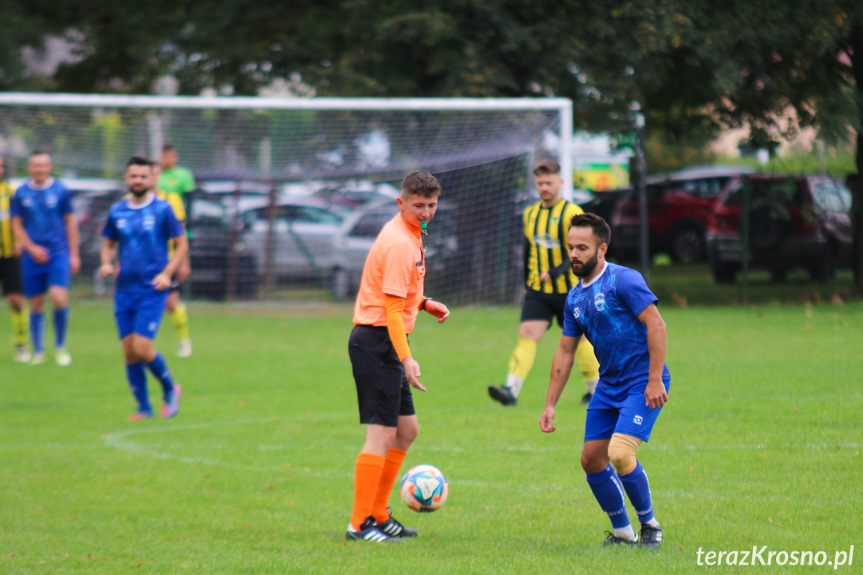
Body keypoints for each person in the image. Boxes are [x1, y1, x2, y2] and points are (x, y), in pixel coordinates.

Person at [540, 213, 669, 548]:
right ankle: (624, 532)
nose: (574, 254)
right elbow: (566, 351)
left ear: (602, 248)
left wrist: (655, 380)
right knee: (591, 459)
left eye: (582, 247)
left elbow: (656, 324)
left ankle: (650, 525)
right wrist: (550, 404)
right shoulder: (574, 298)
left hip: (641, 381)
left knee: (620, 453)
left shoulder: (623, 280)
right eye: (570, 247)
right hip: (609, 385)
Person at [345, 170, 450, 543]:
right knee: (382, 434)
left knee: (406, 431)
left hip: (385, 340)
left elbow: (398, 293)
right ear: (401, 202)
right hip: (376, 342)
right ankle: (359, 525)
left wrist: (422, 303)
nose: (425, 212)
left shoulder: (409, 233)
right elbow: (389, 312)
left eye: (432, 205)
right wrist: (406, 358)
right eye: (418, 205)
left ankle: (378, 512)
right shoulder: (400, 242)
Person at [488, 159, 600, 407]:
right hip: (538, 290)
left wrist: (557, 271)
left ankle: (595, 391)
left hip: (569, 291)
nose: (544, 187)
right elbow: (528, 249)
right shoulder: (530, 213)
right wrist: (526, 283)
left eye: (549, 182)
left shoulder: (572, 213)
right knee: (527, 335)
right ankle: (511, 390)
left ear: (560, 182)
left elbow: (581, 251)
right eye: (540, 183)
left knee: (580, 339)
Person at [99, 156, 187, 421]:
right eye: (133, 176)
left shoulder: (162, 210)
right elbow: (108, 244)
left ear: (151, 180)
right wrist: (105, 263)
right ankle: (143, 408)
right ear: (127, 179)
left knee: (142, 347)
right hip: (124, 291)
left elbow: (182, 244)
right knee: (129, 351)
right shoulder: (117, 211)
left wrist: (167, 274)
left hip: (152, 289)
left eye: (143, 176)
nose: (138, 180)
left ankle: (171, 388)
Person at [10, 151, 79, 366]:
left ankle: (60, 347)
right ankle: (38, 351)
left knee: (59, 298)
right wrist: (30, 248)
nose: (39, 169)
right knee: (36, 303)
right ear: (29, 168)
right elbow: (17, 223)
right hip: (32, 256)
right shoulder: (21, 193)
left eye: (43, 165)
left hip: (58, 253)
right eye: (35, 166)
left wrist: (74, 254)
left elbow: (70, 222)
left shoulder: (60, 190)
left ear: (49, 167)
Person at [152, 164, 193, 357]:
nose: (152, 178)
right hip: (139, 263)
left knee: (171, 303)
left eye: (155, 174)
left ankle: (183, 340)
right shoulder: (129, 201)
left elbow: (181, 233)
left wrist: (184, 262)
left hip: (166, 261)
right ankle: (143, 343)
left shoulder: (171, 199)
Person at [0, 157, 30, 362]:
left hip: (10, 255)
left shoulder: (12, 191)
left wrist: (20, 241)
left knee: (16, 300)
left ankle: (21, 344)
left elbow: (23, 220)